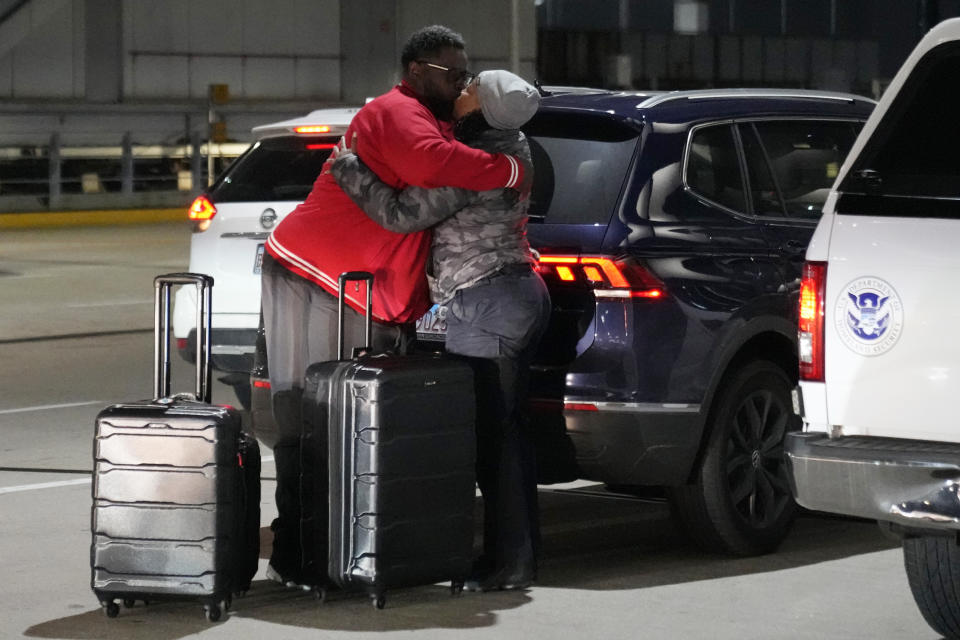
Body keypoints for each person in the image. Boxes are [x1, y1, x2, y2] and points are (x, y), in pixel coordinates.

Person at [260, 25, 532, 588]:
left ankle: (355, 549)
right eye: (453, 73)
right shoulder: (396, 110)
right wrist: (509, 171)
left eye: (467, 77)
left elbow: (415, 200)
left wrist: (507, 169)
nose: (461, 82)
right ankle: (302, 553)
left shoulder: (472, 136)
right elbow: (431, 167)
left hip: (382, 293)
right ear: (415, 73)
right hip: (318, 276)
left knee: (364, 424)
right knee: (308, 414)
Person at [329, 70, 551, 591]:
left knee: (496, 443)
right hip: (505, 297)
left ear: (484, 108)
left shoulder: (479, 166)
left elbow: (402, 214)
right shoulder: (506, 144)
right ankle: (512, 559)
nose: (462, 88)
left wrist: (347, 165)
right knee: (505, 436)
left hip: (489, 305)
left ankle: (509, 565)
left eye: (472, 85)